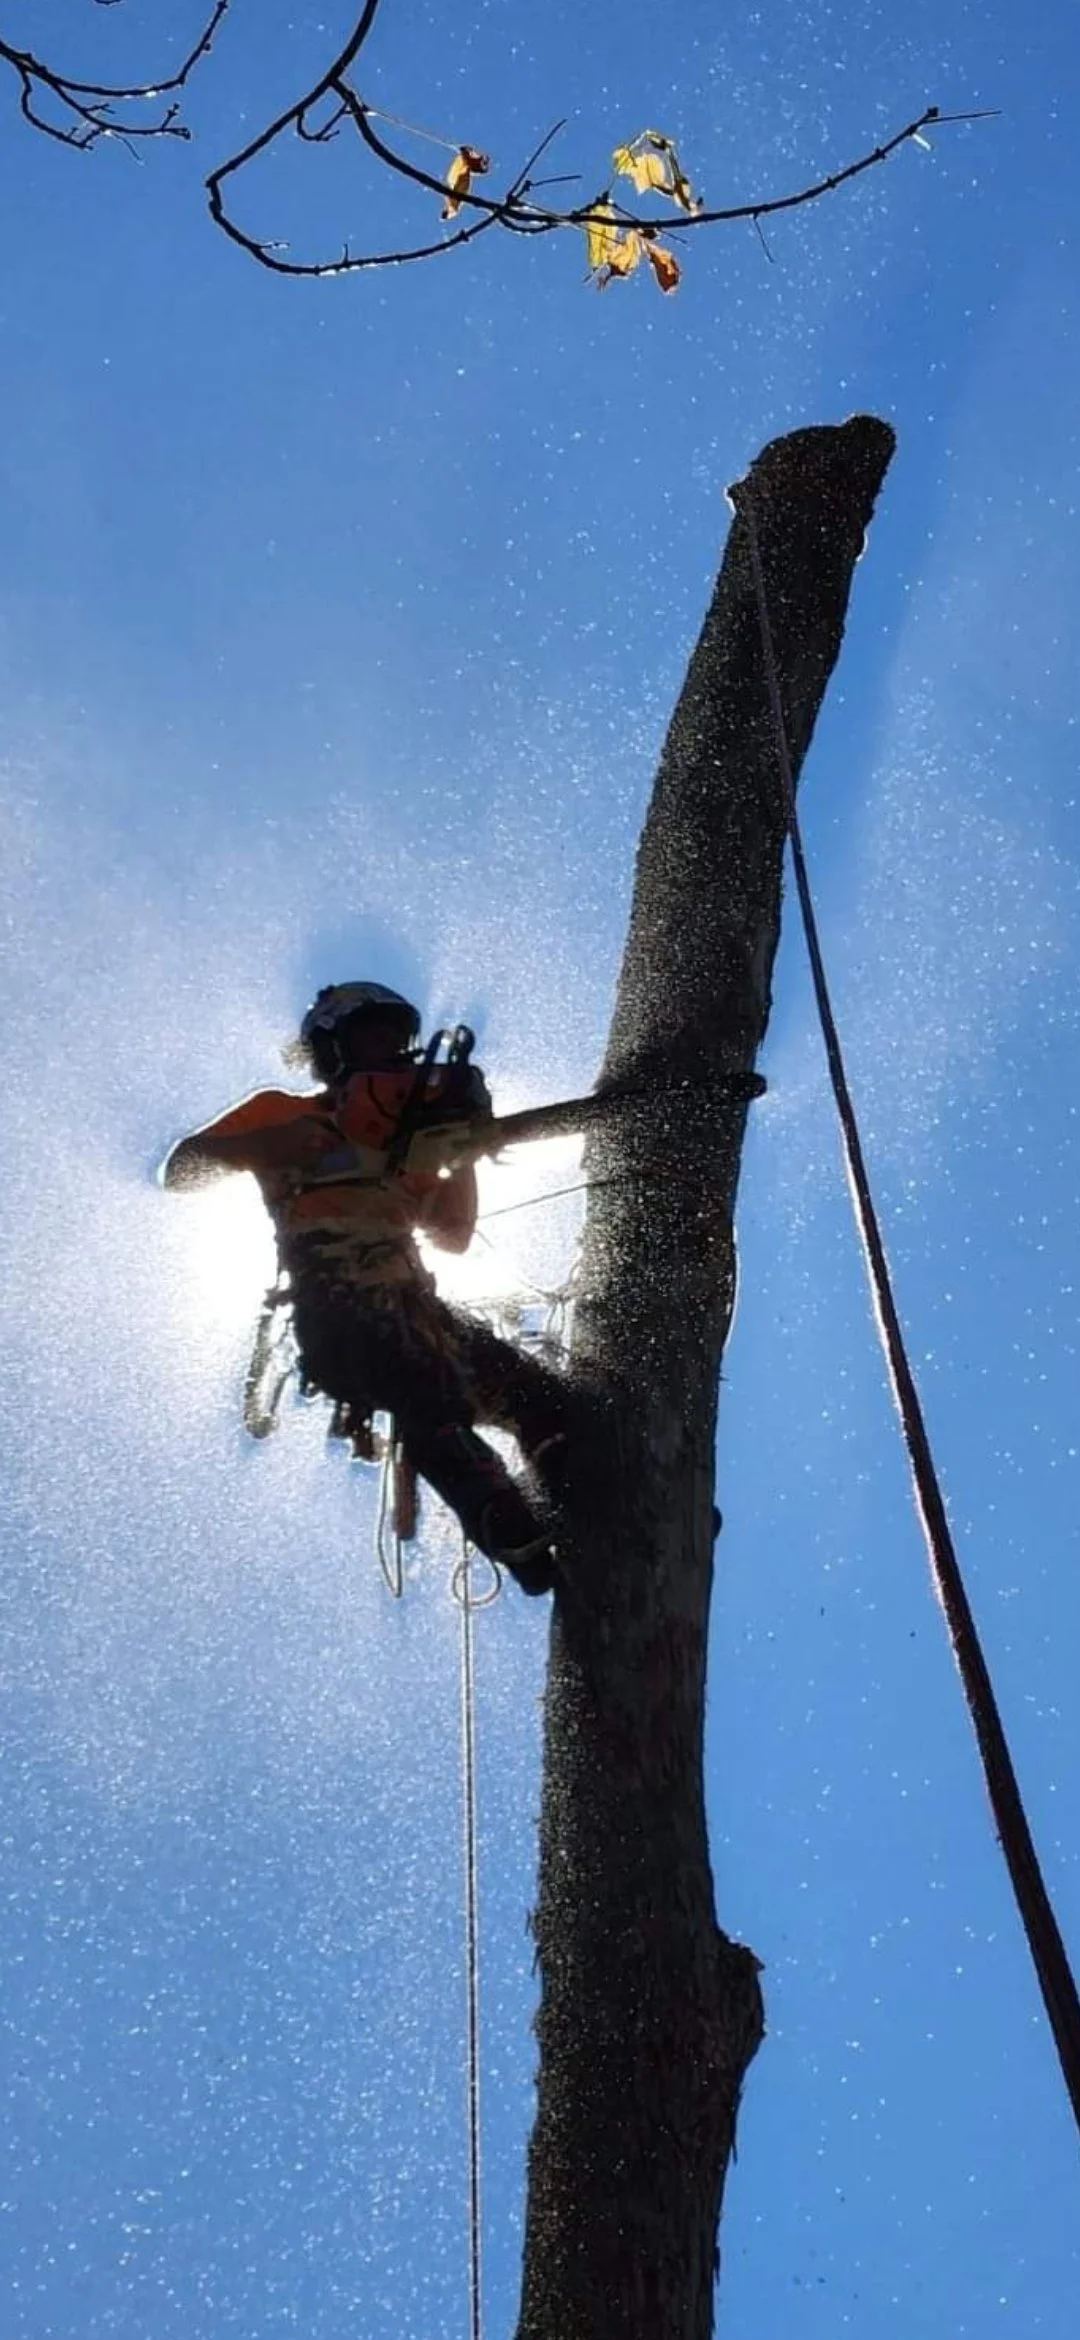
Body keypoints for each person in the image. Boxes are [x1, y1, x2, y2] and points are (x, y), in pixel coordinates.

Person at [162, 981, 564, 1593]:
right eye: (368, 1034)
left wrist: (465, 1152)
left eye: (391, 1036)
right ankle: (504, 1519)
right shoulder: (283, 1112)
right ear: (334, 1047)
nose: (385, 1046)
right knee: (424, 1386)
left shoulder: (410, 1139)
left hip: (418, 1306)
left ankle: (590, 1489)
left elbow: (453, 1234)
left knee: (535, 1395)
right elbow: (182, 1170)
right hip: (337, 1309)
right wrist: (269, 1145)